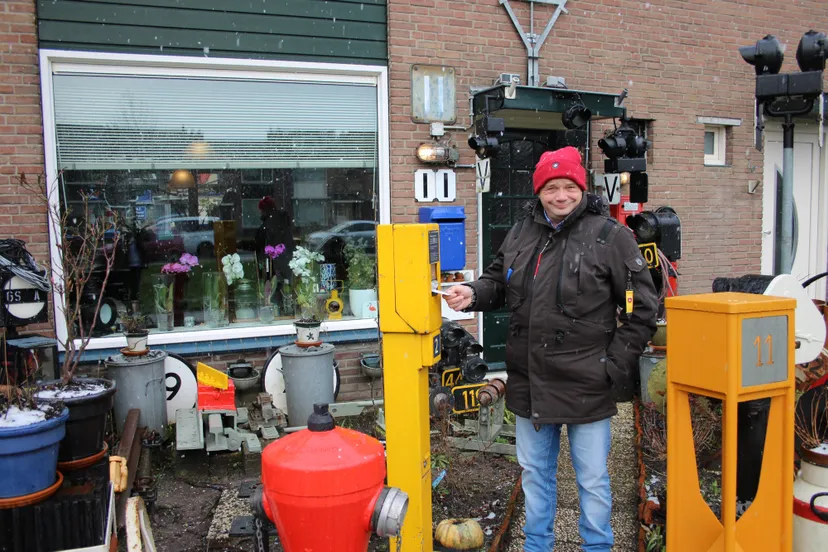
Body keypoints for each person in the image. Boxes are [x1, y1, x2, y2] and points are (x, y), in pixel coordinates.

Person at [444, 146, 658, 552]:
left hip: (587, 382)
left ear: (582, 187)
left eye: (569, 187)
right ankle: (536, 547)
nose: (561, 196)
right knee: (535, 476)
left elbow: (641, 309)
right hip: (531, 381)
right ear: (539, 191)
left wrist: (612, 367)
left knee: (593, 480)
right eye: (551, 188)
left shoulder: (609, 236)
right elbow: (498, 282)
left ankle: (597, 548)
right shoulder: (523, 231)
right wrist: (471, 292)